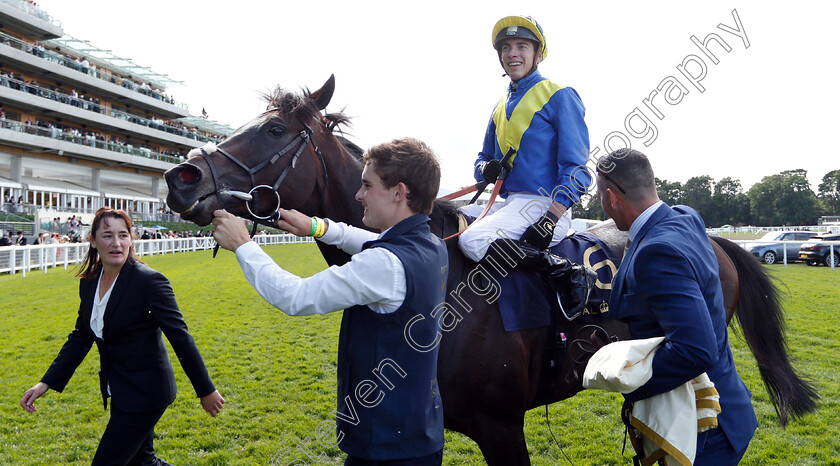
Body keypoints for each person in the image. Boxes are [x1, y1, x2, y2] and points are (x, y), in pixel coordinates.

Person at [212, 137, 447, 465]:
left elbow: (295, 297)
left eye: (367, 185)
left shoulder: (384, 264)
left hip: (385, 448)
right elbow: (372, 242)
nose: (358, 195)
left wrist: (243, 245)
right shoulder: (432, 245)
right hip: (417, 436)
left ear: (399, 192)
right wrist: (316, 227)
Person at [21, 207, 225, 465]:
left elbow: (180, 336)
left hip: (146, 392)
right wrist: (46, 383)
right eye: (107, 236)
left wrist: (205, 390)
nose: (116, 243)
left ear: (131, 239)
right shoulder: (90, 279)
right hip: (118, 389)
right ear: (93, 241)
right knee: (143, 462)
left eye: (123, 235)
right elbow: (82, 335)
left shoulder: (149, 281)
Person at [596, 148, 757, 464]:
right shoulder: (685, 215)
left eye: (600, 196)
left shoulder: (657, 252)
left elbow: (695, 350)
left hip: (704, 428)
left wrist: (626, 378)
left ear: (612, 197)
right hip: (723, 409)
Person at [459, 15, 591, 262]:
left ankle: (561, 272)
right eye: (506, 48)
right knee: (450, 222)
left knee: (472, 239)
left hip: (548, 208)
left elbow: (578, 171)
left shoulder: (560, 96)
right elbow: (482, 159)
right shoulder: (500, 107)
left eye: (522, 46)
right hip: (511, 205)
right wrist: (486, 168)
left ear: (537, 54)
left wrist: (551, 218)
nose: (512, 54)